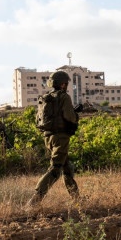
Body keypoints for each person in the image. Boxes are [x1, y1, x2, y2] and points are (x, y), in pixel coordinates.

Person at [27, 71, 81, 207]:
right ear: (63, 84)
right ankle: (34, 200)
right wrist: (76, 115)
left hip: (48, 137)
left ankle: (77, 200)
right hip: (61, 137)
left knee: (67, 168)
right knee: (56, 169)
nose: (67, 85)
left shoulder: (45, 98)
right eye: (66, 83)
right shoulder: (64, 97)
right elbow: (69, 117)